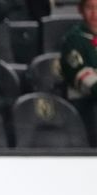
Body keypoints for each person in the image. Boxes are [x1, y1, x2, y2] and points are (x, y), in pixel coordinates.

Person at [60, 0, 97, 145]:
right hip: (86, 105)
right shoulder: (73, 40)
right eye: (90, 8)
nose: (95, 14)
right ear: (80, 10)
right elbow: (82, 77)